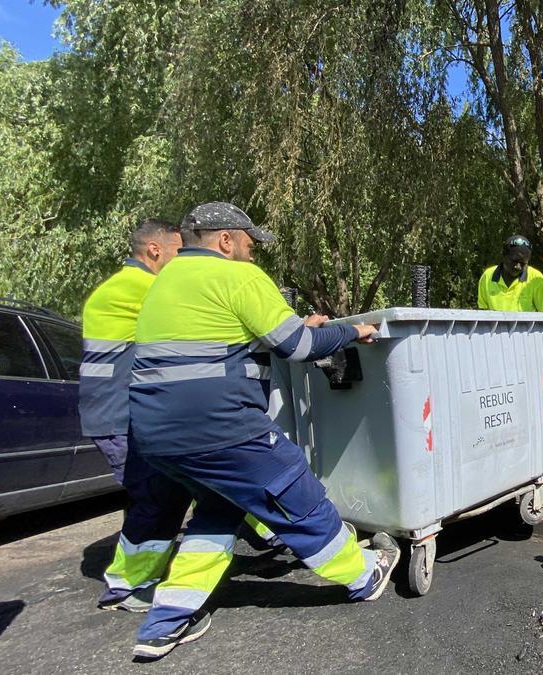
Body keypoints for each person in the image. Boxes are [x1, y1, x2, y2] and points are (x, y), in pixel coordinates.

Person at [127, 202, 394, 659]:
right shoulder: (240, 277)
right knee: (294, 489)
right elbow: (300, 346)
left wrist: (285, 330)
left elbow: (210, 342)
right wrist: (354, 333)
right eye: (250, 245)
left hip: (154, 434)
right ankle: (363, 575)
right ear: (226, 242)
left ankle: (165, 622)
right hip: (220, 427)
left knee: (217, 511)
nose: (253, 255)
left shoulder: (164, 281)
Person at [80, 219, 191, 612]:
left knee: (164, 491)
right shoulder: (142, 287)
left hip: (118, 413)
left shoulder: (122, 286)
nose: (184, 259)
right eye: (179, 251)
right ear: (155, 250)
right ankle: (125, 585)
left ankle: (142, 572)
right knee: (156, 495)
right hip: (118, 415)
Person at [476, 234, 543, 312]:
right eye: (514, 261)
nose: (518, 266)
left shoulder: (535, 278)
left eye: (523, 263)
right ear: (504, 256)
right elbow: (483, 312)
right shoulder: (487, 276)